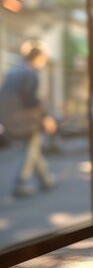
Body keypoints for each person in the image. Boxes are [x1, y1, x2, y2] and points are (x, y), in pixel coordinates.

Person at [0, 41, 57, 197]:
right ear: (38, 58)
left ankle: (46, 179)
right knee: (31, 147)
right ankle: (21, 183)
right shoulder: (30, 73)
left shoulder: (13, 71)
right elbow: (31, 100)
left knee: (33, 148)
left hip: (10, 119)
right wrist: (46, 117)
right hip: (26, 120)